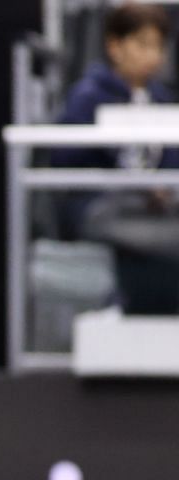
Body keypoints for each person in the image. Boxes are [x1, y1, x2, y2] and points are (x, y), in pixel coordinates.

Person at [54, 3, 179, 313]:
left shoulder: (160, 98)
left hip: (153, 209)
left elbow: (171, 158)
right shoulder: (87, 96)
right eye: (142, 45)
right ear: (115, 45)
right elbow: (66, 157)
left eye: (158, 47)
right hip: (103, 206)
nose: (152, 56)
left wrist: (162, 189)